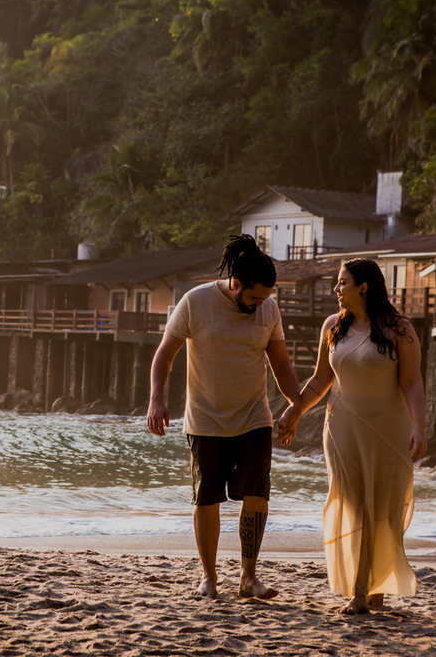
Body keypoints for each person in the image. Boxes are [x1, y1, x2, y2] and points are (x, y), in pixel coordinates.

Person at [146, 234, 301, 599]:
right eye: (254, 297)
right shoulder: (195, 302)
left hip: (254, 417)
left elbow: (281, 364)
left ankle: (249, 577)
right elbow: (165, 353)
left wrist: (296, 405)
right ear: (236, 283)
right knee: (206, 498)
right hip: (205, 419)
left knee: (257, 494)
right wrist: (156, 399)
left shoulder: (269, 309)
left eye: (265, 298)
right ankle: (209, 577)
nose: (260, 304)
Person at [276, 258, 427, 614]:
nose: (336, 289)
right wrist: (294, 410)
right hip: (341, 430)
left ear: (363, 287)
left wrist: (419, 427)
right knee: (354, 506)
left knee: (385, 510)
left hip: (388, 431)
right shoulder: (333, 326)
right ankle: (359, 592)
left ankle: (377, 589)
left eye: (342, 282)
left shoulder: (399, 329)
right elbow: (320, 380)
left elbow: (412, 382)